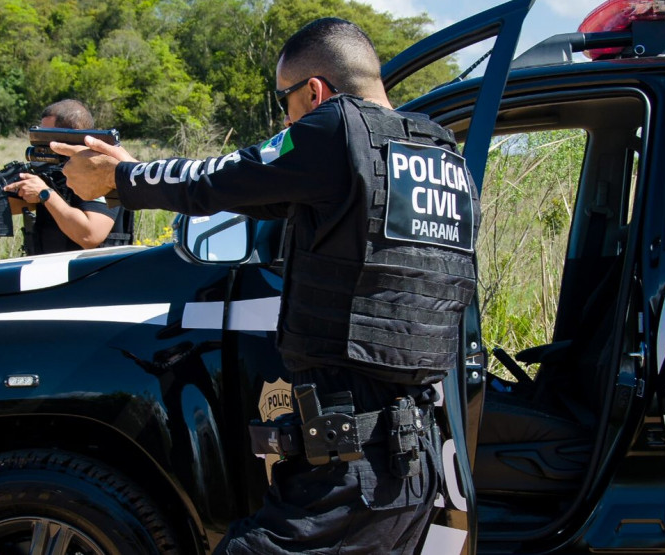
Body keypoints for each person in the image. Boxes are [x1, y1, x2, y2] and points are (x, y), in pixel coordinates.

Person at [53, 18, 479, 553]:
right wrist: (131, 171)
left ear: (315, 91)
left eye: (286, 102)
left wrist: (116, 181)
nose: (286, 120)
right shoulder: (439, 157)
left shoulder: (334, 130)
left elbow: (219, 177)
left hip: (350, 466)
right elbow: (252, 192)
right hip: (410, 465)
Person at [0, 99, 132, 255]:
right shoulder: (51, 171)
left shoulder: (102, 170)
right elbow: (3, 201)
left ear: (73, 135)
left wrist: (45, 194)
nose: (41, 145)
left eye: (46, 138)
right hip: (54, 277)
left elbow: (91, 235)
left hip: (97, 281)